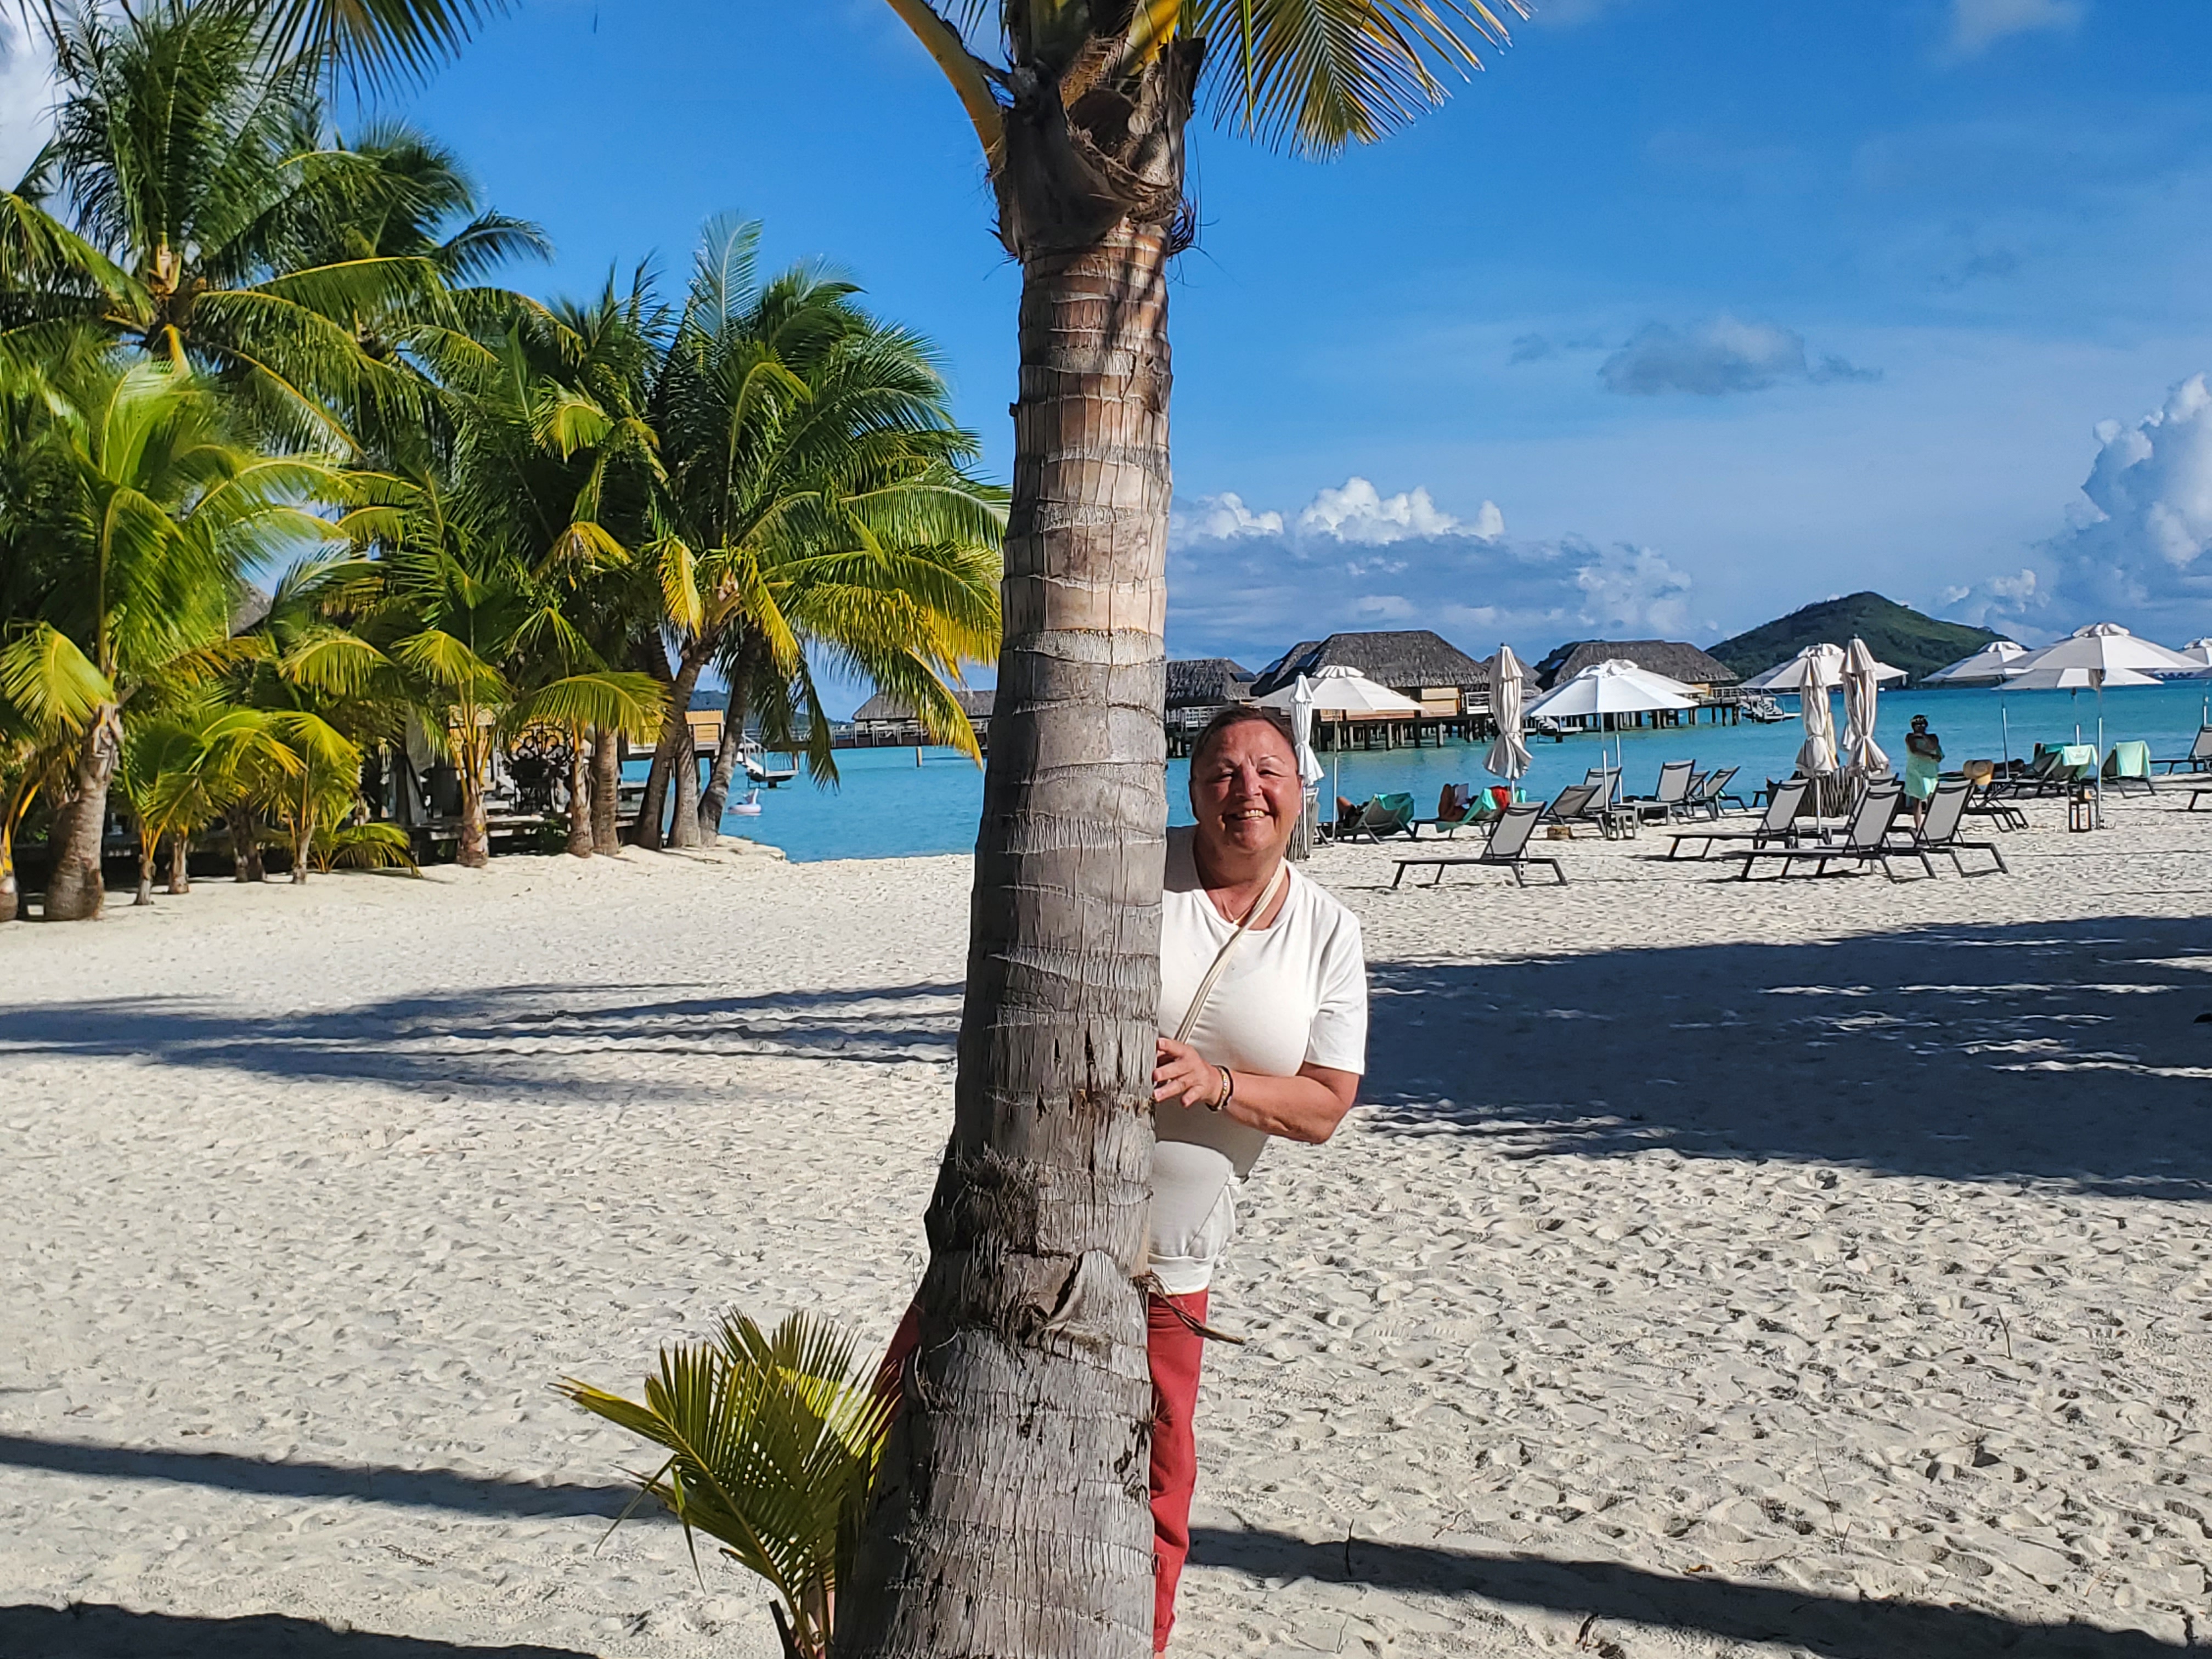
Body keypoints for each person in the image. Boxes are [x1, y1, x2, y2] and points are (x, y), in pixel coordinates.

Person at [1146, 704, 1367, 1650]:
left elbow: (1323, 1104)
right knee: (903, 1417)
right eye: (1222, 772)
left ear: (1299, 786)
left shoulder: (1327, 928)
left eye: (1268, 770)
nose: (1246, 790)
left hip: (1174, 1261)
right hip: (1029, 1216)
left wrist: (1218, 1082)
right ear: (1191, 789)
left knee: (1157, 1477)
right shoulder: (1126, 870)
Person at [1904, 714, 1944, 827]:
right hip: (1915, 770)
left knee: (1931, 796)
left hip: (1930, 771)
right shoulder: (1910, 737)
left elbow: (1933, 747)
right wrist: (1930, 756)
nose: (1920, 727)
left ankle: (1931, 823)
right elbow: (1914, 750)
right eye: (1917, 725)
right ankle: (1918, 826)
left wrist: (1923, 736)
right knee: (1916, 799)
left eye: (1922, 724)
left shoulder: (1933, 737)